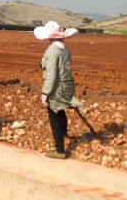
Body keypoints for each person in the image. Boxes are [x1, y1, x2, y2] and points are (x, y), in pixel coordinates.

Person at [35, 20, 82, 159]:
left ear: (49, 37)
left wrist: (45, 92)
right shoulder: (65, 50)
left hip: (56, 88)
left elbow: (51, 75)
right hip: (66, 85)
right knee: (61, 111)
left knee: (54, 116)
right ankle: (65, 135)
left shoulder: (52, 51)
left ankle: (60, 150)